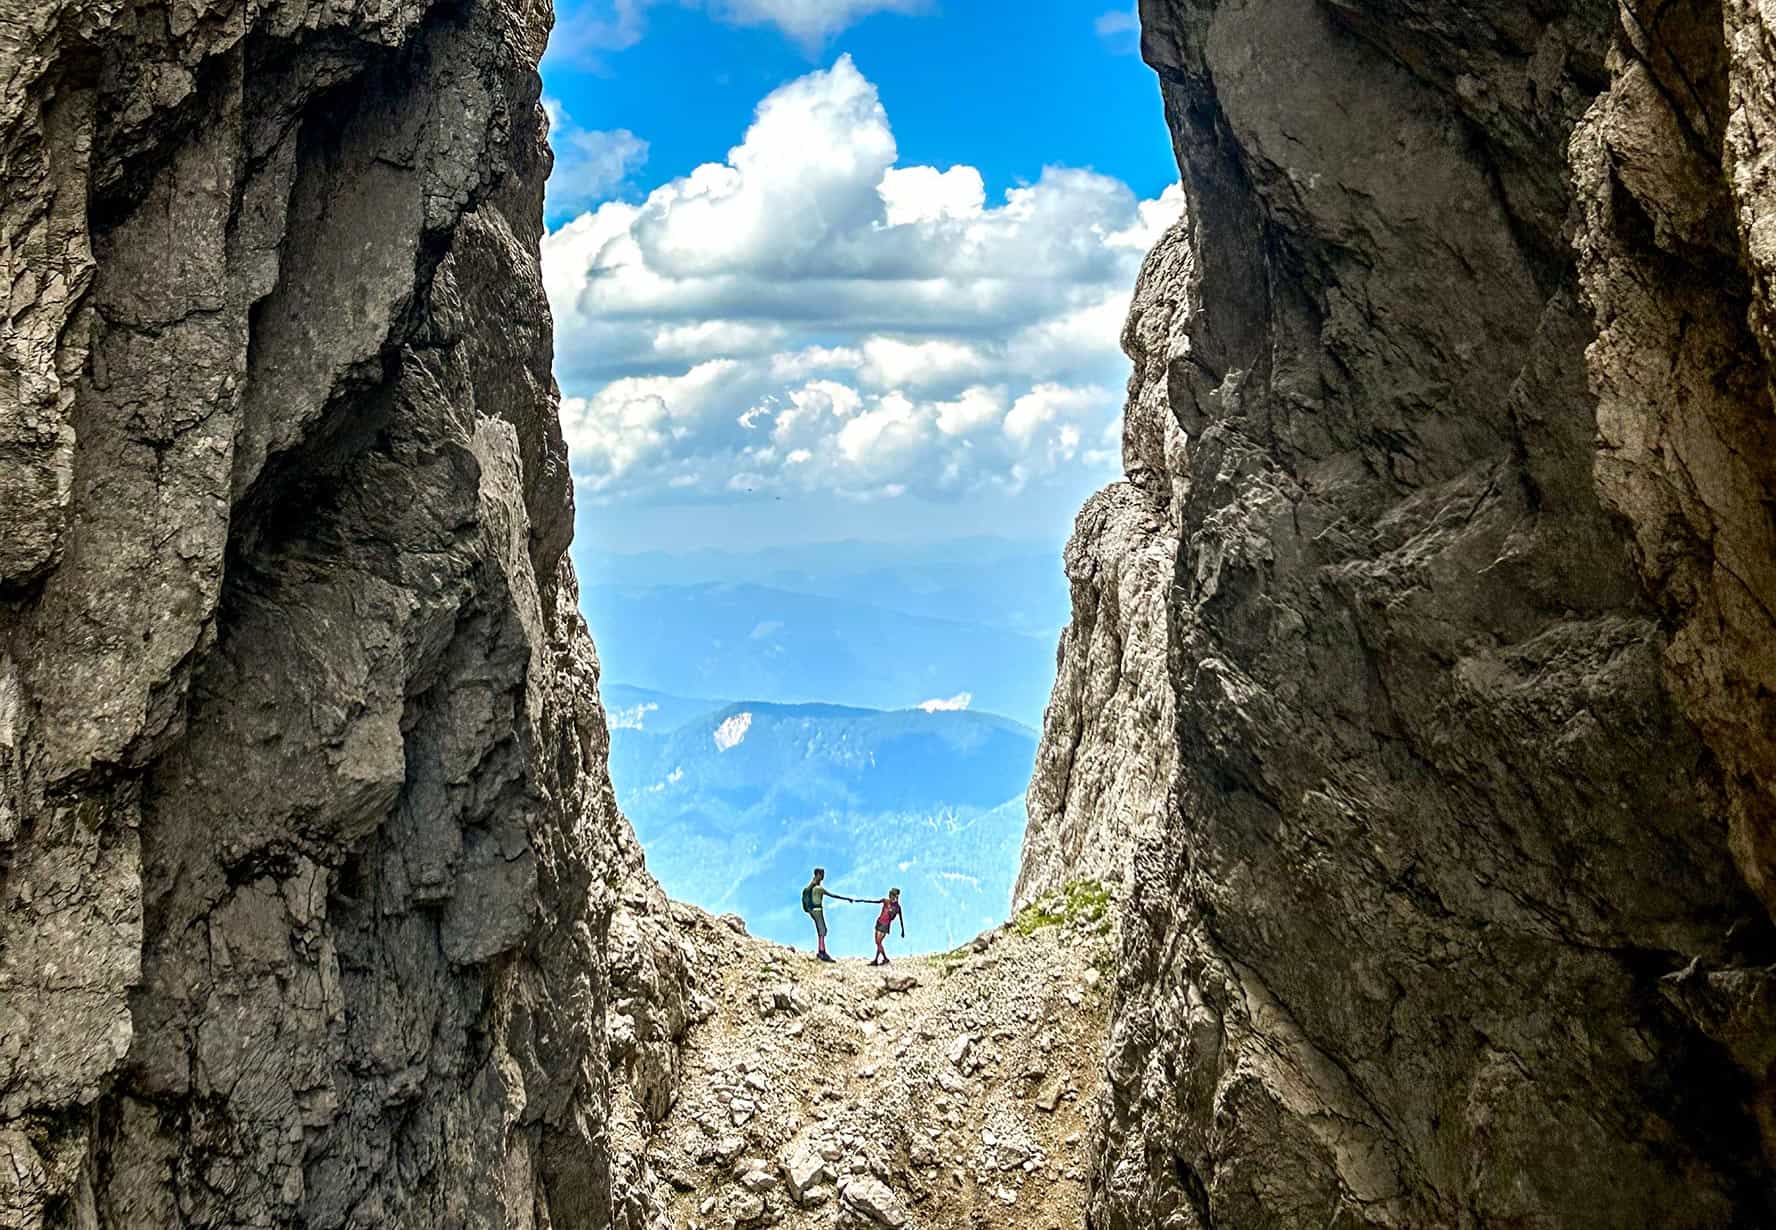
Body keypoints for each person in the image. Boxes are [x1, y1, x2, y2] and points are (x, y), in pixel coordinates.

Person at [800, 867, 856, 962]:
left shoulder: (811, 887)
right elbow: (833, 895)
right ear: (818, 875)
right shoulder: (819, 888)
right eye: (822, 874)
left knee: (821, 930)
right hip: (818, 910)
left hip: (812, 910)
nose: (823, 876)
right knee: (822, 930)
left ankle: (821, 951)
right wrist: (847, 899)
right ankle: (822, 952)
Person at [869, 888, 905, 966]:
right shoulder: (885, 901)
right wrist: (860, 900)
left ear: (896, 896)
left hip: (885, 925)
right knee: (878, 943)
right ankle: (877, 960)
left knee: (878, 942)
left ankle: (884, 959)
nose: (890, 896)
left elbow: (901, 919)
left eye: (892, 895)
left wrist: (902, 930)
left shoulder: (897, 907)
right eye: (890, 895)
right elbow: (874, 902)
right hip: (879, 922)